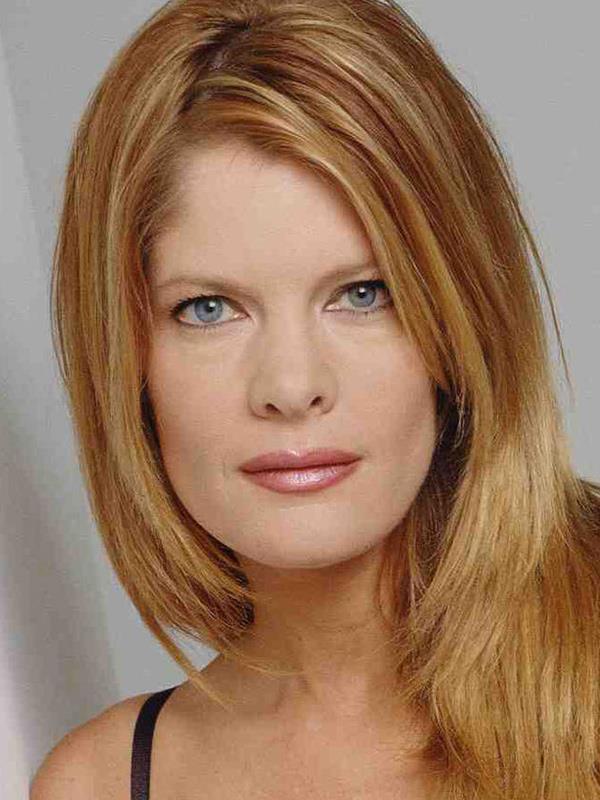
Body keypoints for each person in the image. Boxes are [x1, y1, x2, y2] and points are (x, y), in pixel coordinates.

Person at [30, 0, 600, 798]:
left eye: (364, 294)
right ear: (128, 363)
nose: (292, 388)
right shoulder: (99, 783)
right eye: (208, 309)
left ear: (461, 319)